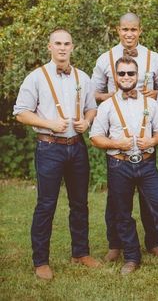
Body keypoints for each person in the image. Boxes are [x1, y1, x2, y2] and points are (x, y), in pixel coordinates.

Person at [90, 56, 158, 275]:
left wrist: (153, 141)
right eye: (122, 74)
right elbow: (95, 137)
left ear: (138, 76)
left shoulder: (151, 104)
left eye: (131, 73)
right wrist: (116, 143)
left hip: (146, 165)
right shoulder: (106, 106)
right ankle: (132, 257)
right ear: (116, 77)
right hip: (119, 165)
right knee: (122, 213)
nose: (127, 77)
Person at [13, 28, 101, 280]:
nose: (62, 48)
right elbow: (21, 112)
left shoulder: (83, 78)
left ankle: (80, 253)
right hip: (49, 146)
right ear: (49, 47)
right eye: (58, 43)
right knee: (46, 204)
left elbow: (91, 108)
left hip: (77, 146)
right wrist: (50, 124)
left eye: (67, 44)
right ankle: (41, 260)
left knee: (80, 203)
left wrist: (86, 121)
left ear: (73, 47)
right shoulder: (36, 78)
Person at [91, 12, 158, 261]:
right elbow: (93, 94)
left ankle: (153, 241)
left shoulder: (153, 58)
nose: (129, 34)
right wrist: (118, 95)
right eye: (125, 29)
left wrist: (149, 93)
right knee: (116, 198)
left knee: (149, 197)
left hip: (144, 131)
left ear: (140, 30)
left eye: (133, 30)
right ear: (118, 30)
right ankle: (116, 243)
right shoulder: (105, 59)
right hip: (117, 133)